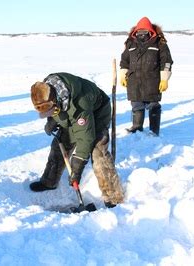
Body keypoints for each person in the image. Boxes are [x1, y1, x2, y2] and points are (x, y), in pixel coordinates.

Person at [29, 72, 124, 208]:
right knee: (59, 145)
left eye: (50, 110)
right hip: (69, 111)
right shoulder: (45, 88)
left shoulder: (80, 103)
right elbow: (55, 110)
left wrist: (77, 167)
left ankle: (113, 197)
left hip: (96, 113)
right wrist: (52, 120)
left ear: (55, 100)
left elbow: (85, 138)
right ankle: (49, 182)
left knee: (98, 152)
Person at [119, 17, 173, 136]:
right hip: (134, 81)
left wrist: (164, 78)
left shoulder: (160, 43)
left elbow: (167, 62)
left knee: (153, 105)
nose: (141, 34)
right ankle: (137, 127)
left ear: (150, 31)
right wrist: (123, 74)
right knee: (136, 104)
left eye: (144, 31)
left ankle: (154, 130)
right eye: (139, 31)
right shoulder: (130, 43)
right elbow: (124, 60)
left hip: (152, 81)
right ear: (136, 31)